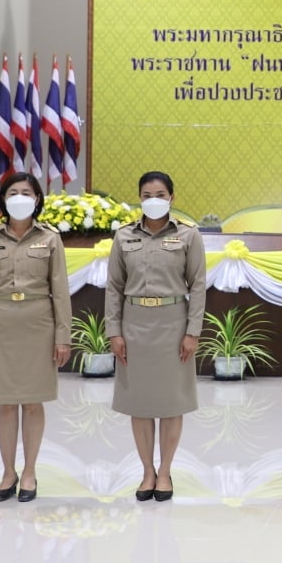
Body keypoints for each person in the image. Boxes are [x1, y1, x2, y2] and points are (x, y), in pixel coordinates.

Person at [0, 171, 72, 502]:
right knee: (6, 402)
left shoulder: (50, 239)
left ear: (37, 199)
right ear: (3, 199)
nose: (20, 197)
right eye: (13, 192)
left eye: (26, 192)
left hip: (38, 325)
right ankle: (8, 472)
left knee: (33, 400)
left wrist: (62, 336)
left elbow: (61, 292)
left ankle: (29, 472)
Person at [105, 171, 207, 502]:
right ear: (139, 198)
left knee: (171, 402)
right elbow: (114, 287)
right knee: (141, 403)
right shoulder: (123, 237)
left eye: (160, 194)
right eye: (147, 194)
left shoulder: (189, 236)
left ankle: (165, 473)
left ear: (172, 198)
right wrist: (114, 331)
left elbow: (199, 285)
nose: (154, 200)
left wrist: (192, 331)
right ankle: (147, 471)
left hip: (173, 323)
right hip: (134, 325)